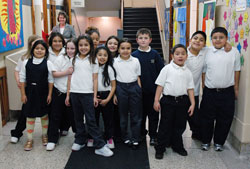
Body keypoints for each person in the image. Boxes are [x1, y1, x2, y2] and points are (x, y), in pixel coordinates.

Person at [68, 35, 113, 157]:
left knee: (91, 120)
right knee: (77, 119)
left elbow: (95, 79)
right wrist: (68, 94)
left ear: (90, 46)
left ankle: (100, 145)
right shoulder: (73, 59)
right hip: (74, 93)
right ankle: (80, 140)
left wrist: (94, 96)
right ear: (77, 46)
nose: (83, 47)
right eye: (81, 45)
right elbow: (70, 77)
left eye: (86, 45)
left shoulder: (93, 60)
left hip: (87, 94)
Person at [200, 27, 241, 151]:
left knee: (225, 118)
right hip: (210, 91)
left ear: (226, 38)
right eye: (215, 37)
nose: (218, 40)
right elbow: (204, 71)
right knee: (206, 118)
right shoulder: (206, 51)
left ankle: (219, 142)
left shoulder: (233, 52)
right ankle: (206, 141)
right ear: (211, 39)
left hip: (227, 91)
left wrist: (236, 88)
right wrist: (203, 86)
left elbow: (237, 70)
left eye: (221, 37)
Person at [154, 44, 195, 159]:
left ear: (186, 56)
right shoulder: (167, 69)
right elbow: (159, 86)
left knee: (180, 125)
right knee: (165, 125)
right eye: (177, 54)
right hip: (168, 101)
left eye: (183, 54)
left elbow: (190, 88)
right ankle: (160, 147)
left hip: (183, 102)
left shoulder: (188, 71)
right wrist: (156, 100)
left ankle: (177, 146)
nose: (180, 56)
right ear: (172, 56)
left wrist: (193, 103)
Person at [19, 40, 54, 151]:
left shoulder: (48, 63)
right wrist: (23, 94)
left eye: (42, 49)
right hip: (30, 93)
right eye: (37, 48)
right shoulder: (26, 62)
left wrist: (49, 94)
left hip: (43, 92)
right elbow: (22, 79)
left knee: (44, 115)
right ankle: (30, 139)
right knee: (30, 115)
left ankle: (44, 135)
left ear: (45, 51)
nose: (39, 50)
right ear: (33, 50)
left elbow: (51, 80)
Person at [132, 28, 164, 145]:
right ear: (137, 40)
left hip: (153, 92)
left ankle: (153, 135)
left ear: (150, 40)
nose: (143, 40)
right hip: (138, 92)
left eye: (146, 38)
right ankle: (141, 133)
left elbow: (162, 72)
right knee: (140, 115)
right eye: (141, 38)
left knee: (153, 115)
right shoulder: (133, 55)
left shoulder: (155, 54)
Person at [46, 39, 77, 151]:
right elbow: (54, 74)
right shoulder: (60, 58)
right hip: (59, 91)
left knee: (73, 116)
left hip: (73, 92)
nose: (70, 51)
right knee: (55, 115)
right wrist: (66, 72)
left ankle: (78, 138)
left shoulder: (78, 59)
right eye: (68, 48)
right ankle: (52, 140)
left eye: (72, 48)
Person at [10, 35, 41, 144]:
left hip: (42, 88)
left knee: (47, 111)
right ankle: (17, 133)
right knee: (25, 111)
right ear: (31, 44)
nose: (38, 46)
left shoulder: (44, 56)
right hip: (29, 88)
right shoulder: (24, 57)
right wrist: (18, 80)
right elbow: (17, 70)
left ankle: (50, 134)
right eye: (35, 43)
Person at [113, 38, 142, 150]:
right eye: (123, 48)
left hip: (134, 87)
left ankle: (135, 138)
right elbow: (113, 79)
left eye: (128, 48)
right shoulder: (115, 61)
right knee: (123, 115)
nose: (125, 51)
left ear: (131, 49)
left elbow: (138, 76)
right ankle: (125, 137)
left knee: (136, 115)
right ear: (119, 49)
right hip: (120, 88)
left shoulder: (135, 61)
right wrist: (115, 94)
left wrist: (139, 89)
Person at [95, 46, 116, 149]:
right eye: (99, 55)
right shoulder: (92, 67)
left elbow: (113, 86)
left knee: (108, 119)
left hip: (107, 95)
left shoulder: (109, 69)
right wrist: (94, 97)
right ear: (95, 56)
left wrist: (108, 99)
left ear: (108, 57)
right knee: (94, 118)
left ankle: (109, 138)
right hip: (94, 95)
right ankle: (92, 137)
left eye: (105, 55)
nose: (102, 57)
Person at [105, 35, 121, 142]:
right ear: (106, 44)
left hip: (118, 88)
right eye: (110, 43)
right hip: (106, 89)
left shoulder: (120, 59)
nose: (112, 45)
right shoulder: (103, 56)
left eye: (115, 44)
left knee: (117, 113)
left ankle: (117, 134)